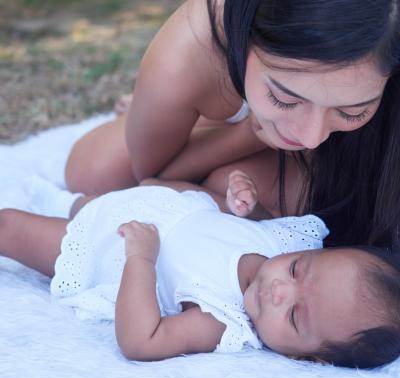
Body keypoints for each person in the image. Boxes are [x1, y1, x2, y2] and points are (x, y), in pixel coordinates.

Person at [64, 0, 400, 252]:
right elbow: (154, 178)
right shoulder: (186, 54)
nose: (310, 136)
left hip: (336, 147)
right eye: (285, 98)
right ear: (248, 40)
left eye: (352, 110)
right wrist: (249, 134)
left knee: (242, 193)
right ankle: (204, 114)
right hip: (227, 107)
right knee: (93, 173)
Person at [1, 174, 399, 368]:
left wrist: (140, 257)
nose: (280, 290)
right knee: (91, 201)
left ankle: (53, 210)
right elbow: (259, 227)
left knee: (12, 228)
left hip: (110, 248)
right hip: (156, 206)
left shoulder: (223, 320)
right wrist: (247, 206)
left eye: (294, 315)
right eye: (297, 271)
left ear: (310, 359)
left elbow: (142, 341)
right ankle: (61, 199)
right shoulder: (286, 243)